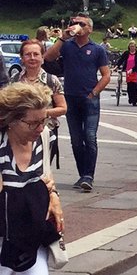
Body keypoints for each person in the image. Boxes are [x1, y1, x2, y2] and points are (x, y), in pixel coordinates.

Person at [0, 83, 67, 275]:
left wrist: (53, 194)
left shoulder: (41, 137)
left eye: (44, 121)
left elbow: (45, 176)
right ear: (11, 119)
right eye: (33, 122)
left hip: (31, 234)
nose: (40, 128)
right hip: (3, 236)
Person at [43, 13, 110, 192]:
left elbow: (106, 75)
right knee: (75, 140)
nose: (77, 25)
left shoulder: (97, 49)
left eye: (82, 24)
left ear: (90, 29)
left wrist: (94, 92)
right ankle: (83, 174)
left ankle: (89, 175)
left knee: (89, 136)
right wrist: (62, 38)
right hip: (70, 97)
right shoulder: (67, 45)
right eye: (75, 23)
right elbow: (48, 58)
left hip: (89, 98)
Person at [16, 40, 67, 123]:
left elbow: (63, 108)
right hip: (20, 131)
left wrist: (42, 113)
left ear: (42, 57)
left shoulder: (51, 80)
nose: (32, 58)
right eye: (28, 54)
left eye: (36, 54)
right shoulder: (15, 79)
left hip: (45, 130)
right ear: (22, 58)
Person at [118, 42, 137, 106]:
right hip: (128, 72)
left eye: (133, 46)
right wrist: (117, 66)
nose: (132, 48)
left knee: (135, 86)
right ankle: (130, 98)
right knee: (129, 86)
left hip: (135, 71)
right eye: (131, 46)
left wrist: (132, 69)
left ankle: (135, 101)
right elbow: (121, 60)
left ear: (135, 47)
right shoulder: (126, 53)